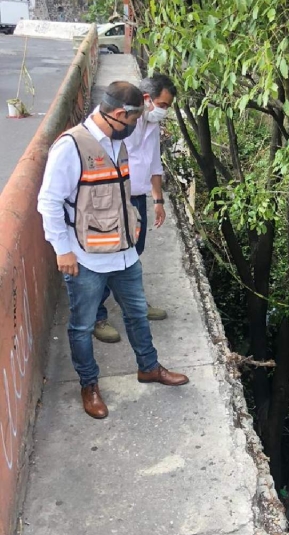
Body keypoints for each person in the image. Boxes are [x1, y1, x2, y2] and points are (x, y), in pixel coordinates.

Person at [37, 80, 189, 419]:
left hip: (124, 253)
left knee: (137, 314)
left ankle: (149, 367)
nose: (135, 127)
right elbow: (48, 201)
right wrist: (63, 250)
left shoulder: (115, 142)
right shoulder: (72, 146)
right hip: (87, 257)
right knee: (82, 325)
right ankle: (89, 385)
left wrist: (136, 220)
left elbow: (120, 193)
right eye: (133, 121)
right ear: (120, 114)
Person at [93, 73, 177, 343]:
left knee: (134, 253)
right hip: (115, 199)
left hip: (138, 198)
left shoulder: (150, 125)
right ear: (145, 99)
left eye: (167, 106)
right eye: (161, 104)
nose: (163, 111)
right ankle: (97, 315)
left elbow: (154, 164)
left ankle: (136, 303)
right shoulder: (120, 123)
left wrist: (158, 199)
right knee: (110, 255)